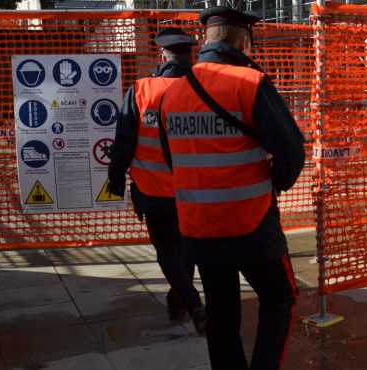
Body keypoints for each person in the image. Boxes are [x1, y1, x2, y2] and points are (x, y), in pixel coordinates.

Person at [158, 7, 305, 370]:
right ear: (243, 39)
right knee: (280, 298)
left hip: (198, 226)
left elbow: (170, 157)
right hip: (252, 224)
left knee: (221, 315)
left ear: (206, 39)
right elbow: (291, 150)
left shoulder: (173, 93)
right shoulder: (249, 82)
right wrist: (276, 182)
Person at [107, 28, 206, 334]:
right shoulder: (203, 89)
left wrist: (115, 178)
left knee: (167, 252)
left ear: (163, 55)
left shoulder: (142, 89)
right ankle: (178, 302)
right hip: (197, 191)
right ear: (191, 55)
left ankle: (192, 303)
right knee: (186, 250)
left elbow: (124, 139)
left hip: (154, 190)